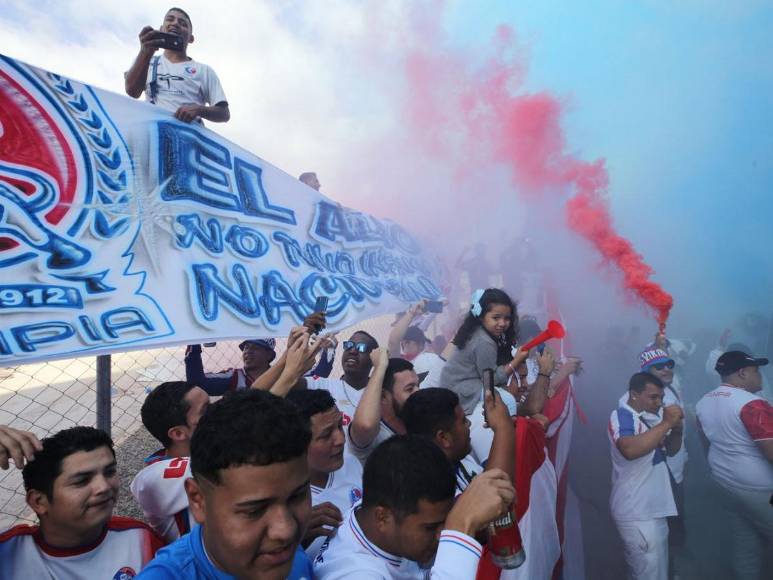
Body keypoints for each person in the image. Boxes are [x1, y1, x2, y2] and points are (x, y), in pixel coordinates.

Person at [138, 389, 314, 579]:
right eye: (254, 510)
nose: (286, 531)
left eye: (297, 497)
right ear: (198, 501)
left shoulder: (285, 554)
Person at [313, 435, 516, 579]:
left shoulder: (384, 502)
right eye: (430, 528)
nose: (441, 535)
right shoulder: (354, 573)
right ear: (382, 518)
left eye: (444, 523)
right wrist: (460, 530)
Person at [0, 426, 163, 578]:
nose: (104, 487)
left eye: (109, 472)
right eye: (82, 481)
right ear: (38, 501)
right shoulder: (9, 552)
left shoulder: (139, 538)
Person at [696, 350, 773, 580]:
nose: (760, 377)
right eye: (756, 372)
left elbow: (705, 445)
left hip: (724, 484)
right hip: (759, 491)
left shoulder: (703, 402)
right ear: (742, 373)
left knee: (745, 543)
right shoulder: (752, 405)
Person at [608, 372, 684, 580]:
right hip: (637, 512)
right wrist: (666, 424)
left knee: (657, 572)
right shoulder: (622, 415)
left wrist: (676, 430)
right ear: (634, 394)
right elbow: (629, 449)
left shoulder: (648, 418)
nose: (659, 402)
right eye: (653, 397)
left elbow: (671, 450)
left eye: (660, 397)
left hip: (652, 510)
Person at [286, 389, 363, 560]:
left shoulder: (352, 464)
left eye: (339, 426)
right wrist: (297, 542)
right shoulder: (284, 500)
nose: (341, 440)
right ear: (298, 444)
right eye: (326, 435)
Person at [131, 381, 209, 542]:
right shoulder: (156, 477)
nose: (218, 414)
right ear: (179, 433)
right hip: (198, 565)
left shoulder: (202, 449)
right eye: (206, 411)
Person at [124, 7, 230, 124]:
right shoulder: (147, 60)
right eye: (170, 19)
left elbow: (224, 113)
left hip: (188, 136)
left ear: (191, 38)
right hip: (154, 133)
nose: (175, 23)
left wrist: (198, 109)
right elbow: (132, 92)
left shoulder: (204, 71)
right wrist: (145, 52)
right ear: (161, 29)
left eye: (183, 23)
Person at [185, 312, 333, 395]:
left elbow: (318, 375)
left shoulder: (285, 372)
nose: (247, 351)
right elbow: (198, 382)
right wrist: (195, 340)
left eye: (255, 347)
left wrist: (329, 350)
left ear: (269, 355)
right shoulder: (234, 376)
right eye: (246, 347)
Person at [401, 387, 515, 495]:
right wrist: (503, 427)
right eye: (463, 421)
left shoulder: (460, 457)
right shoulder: (431, 487)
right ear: (444, 438)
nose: (469, 424)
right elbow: (493, 500)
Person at [439, 288, 532, 414]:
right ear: (482, 316)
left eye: (507, 318)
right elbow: (490, 379)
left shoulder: (481, 332)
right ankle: (506, 432)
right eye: (496, 318)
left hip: (457, 385)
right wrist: (516, 361)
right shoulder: (484, 341)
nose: (502, 323)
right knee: (508, 401)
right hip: (461, 390)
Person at [348, 355, 422, 464]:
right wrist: (380, 365)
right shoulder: (373, 437)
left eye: (418, 385)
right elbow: (365, 426)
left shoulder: (420, 425)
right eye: (409, 389)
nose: (418, 392)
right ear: (383, 396)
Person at [388, 300, 446, 388]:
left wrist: (439, 304)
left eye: (408, 342)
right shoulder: (401, 362)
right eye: (402, 344)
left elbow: (393, 342)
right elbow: (393, 342)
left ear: (421, 345)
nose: (404, 347)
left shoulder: (428, 359)